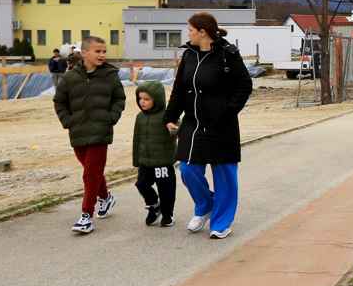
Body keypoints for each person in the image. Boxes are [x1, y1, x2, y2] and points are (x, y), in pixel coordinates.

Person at [164, 13, 253, 240]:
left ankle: (221, 223)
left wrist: (227, 109)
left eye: (190, 29)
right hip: (193, 124)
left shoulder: (228, 54)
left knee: (224, 177)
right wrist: (170, 117)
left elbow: (244, 85)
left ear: (202, 32)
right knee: (187, 170)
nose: (188, 33)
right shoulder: (189, 55)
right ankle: (205, 205)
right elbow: (180, 88)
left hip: (222, 124)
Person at [53, 36, 126, 235]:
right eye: (97, 51)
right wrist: (68, 122)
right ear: (84, 53)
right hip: (77, 131)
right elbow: (59, 101)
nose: (102, 55)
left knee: (90, 174)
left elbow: (119, 99)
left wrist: (110, 118)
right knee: (91, 171)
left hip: (101, 132)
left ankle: (86, 216)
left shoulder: (110, 76)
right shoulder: (69, 77)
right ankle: (105, 197)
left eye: (104, 51)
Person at [132, 80, 177, 227]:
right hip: (146, 161)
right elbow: (136, 140)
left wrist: (175, 131)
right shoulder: (140, 117)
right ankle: (154, 205)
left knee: (166, 191)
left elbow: (178, 124)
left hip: (163, 161)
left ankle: (168, 214)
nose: (142, 102)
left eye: (146, 99)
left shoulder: (166, 115)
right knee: (142, 183)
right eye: (140, 98)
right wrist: (136, 161)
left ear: (156, 99)